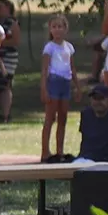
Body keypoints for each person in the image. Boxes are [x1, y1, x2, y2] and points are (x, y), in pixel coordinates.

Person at [39, 14, 76, 161]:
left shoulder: (69, 47)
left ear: (65, 29)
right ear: (50, 29)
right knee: (50, 117)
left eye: (60, 26)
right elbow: (44, 69)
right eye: (54, 27)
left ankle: (60, 150)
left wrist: (78, 87)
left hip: (65, 83)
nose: (57, 30)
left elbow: (72, 68)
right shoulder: (49, 47)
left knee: (63, 117)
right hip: (53, 82)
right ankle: (45, 151)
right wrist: (44, 88)